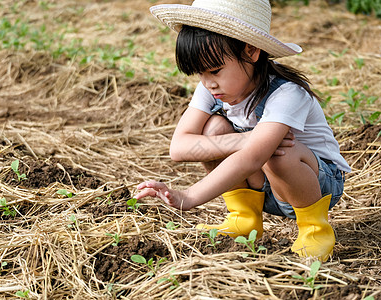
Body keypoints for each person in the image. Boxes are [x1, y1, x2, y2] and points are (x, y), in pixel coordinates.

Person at [135, 0, 351, 262]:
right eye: (199, 73)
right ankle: (244, 217)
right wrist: (247, 138)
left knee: (279, 151)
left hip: (316, 185)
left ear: (251, 51)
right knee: (214, 127)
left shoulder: (287, 93)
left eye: (215, 70)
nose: (208, 83)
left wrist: (189, 197)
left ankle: (315, 230)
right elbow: (178, 148)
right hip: (262, 182)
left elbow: (252, 158)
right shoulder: (211, 87)